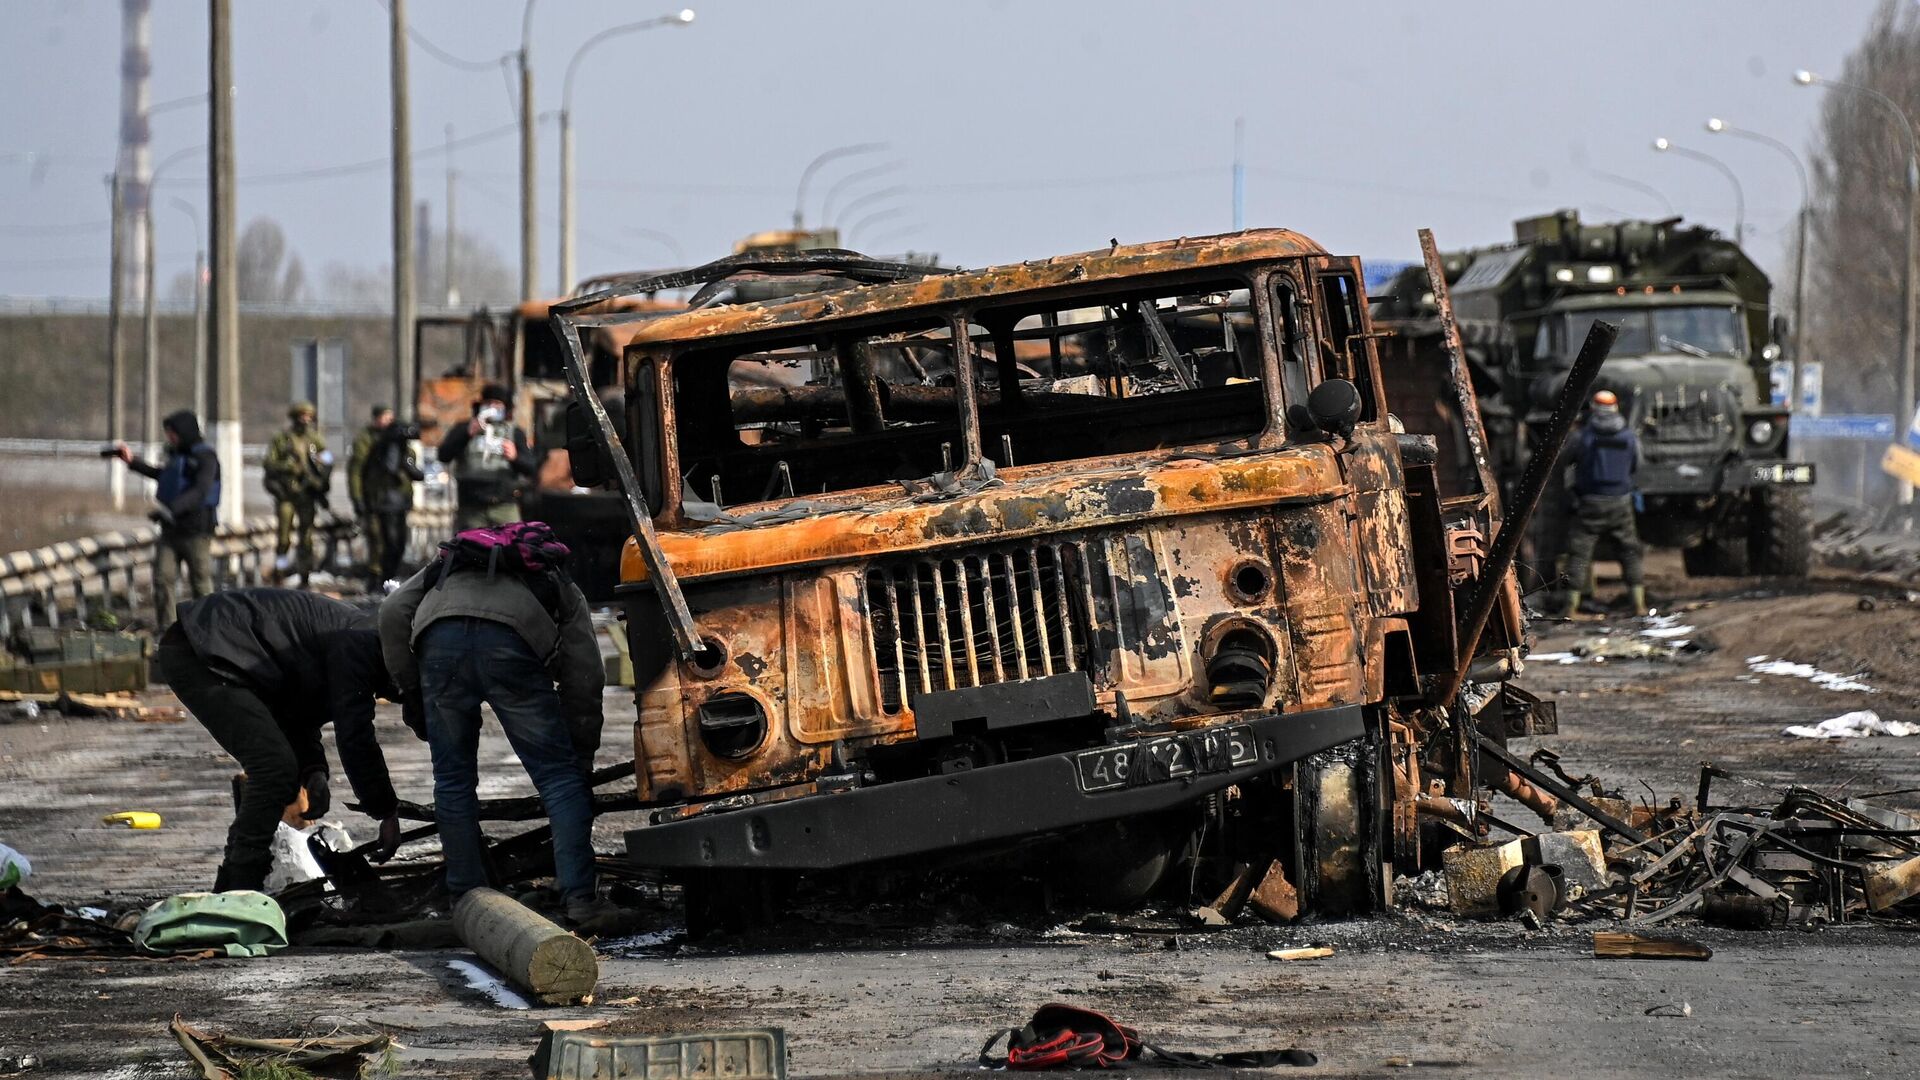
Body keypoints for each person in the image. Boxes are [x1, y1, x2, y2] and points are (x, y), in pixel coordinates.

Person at [378, 521, 607, 923]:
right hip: (510, 646)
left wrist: (412, 690)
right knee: (559, 778)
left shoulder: (449, 562)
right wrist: (582, 751)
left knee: (452, 780)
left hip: (440, 644)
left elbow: (393, 610)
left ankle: (465, 899)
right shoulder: (553, 574)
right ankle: (580, 900)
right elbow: (586, 673)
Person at [156, 588, 410, 892]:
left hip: (219, 647)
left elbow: (296, 710)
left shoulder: (370, 637)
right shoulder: (363, 646)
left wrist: (314, 770)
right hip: (202, 649)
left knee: (281, 770)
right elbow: (355, 736)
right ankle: (239, 889)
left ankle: (233, 885)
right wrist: (386, 811)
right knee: (273, 768)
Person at [113, 410, 221, 627]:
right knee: (163, 579)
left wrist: (172, 509)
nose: (170, 438)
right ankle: (168, 630)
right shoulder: (177, 456)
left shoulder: (206, 457)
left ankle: (210, 630)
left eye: (173, 433)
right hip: (171, 530)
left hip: (196, 531)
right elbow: (162, 475)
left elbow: (200, 491)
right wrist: (132, 462)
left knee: (200, 583)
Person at [1561, 389, 1646, 618]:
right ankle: (1638, 604)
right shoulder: (1629, 436)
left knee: (1579, 554)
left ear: (1594, 409)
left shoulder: (1583, 435)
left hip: (1589, 502)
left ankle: (1571, 607)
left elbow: (1564, 458)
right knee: (1629, 551)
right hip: (1621, 501)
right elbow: (1637, 464)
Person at [437, 382, 537, 531]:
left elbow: (531, 468)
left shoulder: (514, 433)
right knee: (471, 548)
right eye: (488, 403)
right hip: (472, 507)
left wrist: (515, 457)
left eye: (497, 404)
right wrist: (467, 434)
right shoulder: (464, 428)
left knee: (512, 545)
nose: (492, 408)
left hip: (504, 504)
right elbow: (444, 455)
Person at [264, 401, 334, 575]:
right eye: (303, 416)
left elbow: (327, 462)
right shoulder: (282, 439)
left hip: (307, 494)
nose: (306, 420)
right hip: (287, 494)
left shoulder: (314, 440)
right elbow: (269, 463)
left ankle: (305, 572)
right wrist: (288, 466)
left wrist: (320, 480)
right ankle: (280, 570)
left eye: (309, 417)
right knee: (284, 537)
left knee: (307, 536)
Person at [361, 417, 424, 586]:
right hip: (384, 503)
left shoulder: (403, 450)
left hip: (399, 503)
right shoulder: (383, 448)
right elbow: (391, 468)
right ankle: (382, 579)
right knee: (389, 544)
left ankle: (388, 577)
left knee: (398, 545)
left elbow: (416, 474)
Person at [348, 404, 394, 578]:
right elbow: (356, 471)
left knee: (391, 538)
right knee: (375, 536)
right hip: (372, 497)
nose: (389, 421)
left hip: (390, 498)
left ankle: (387, 572)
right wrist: (357, 497)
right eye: (385, 417)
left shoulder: (392, 437)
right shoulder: (365, 439)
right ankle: (375, 572)